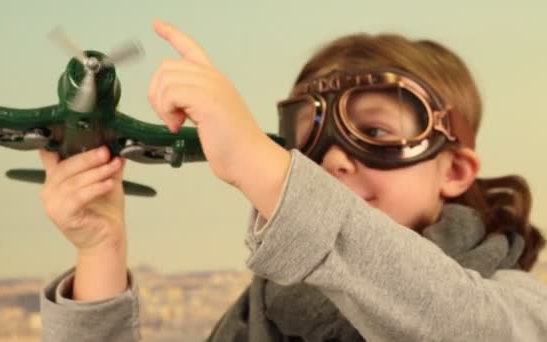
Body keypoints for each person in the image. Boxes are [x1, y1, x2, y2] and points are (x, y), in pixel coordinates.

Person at [38, 19, 547, 341]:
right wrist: (101, 251)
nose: (334, 163)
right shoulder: (260, 314)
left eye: (373, 131)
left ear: (454, 170)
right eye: (311, 143)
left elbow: (458, 325)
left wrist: (264, 169)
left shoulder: (520, 306)